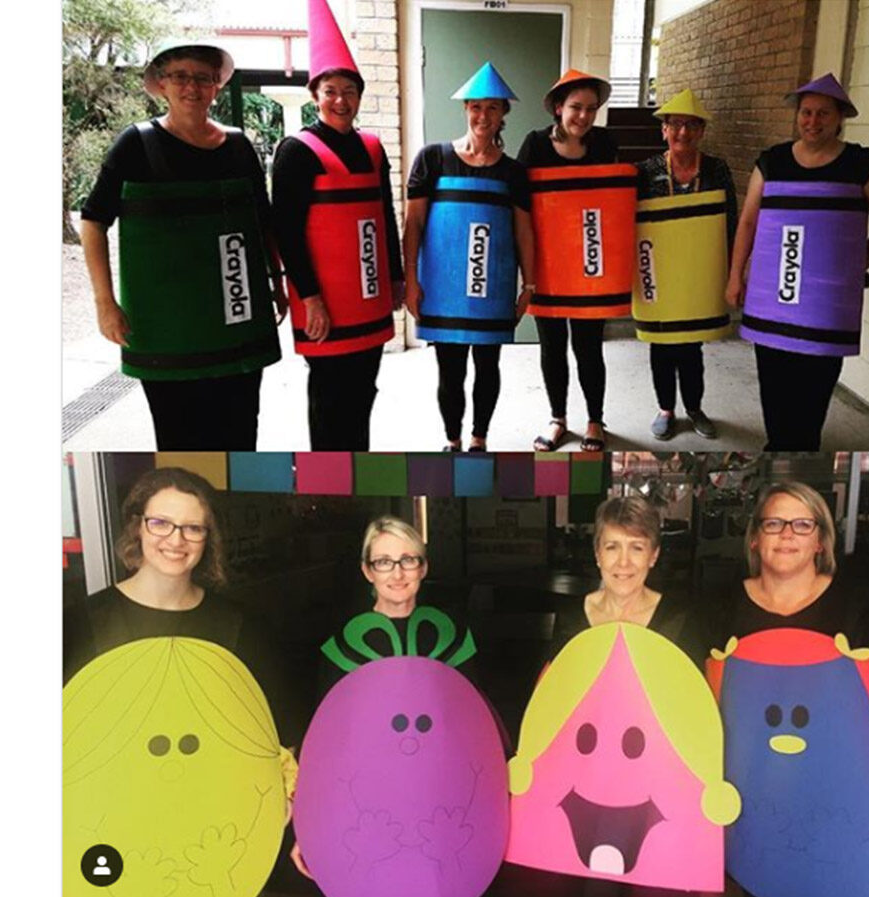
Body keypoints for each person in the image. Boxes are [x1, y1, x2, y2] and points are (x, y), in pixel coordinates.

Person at [80, 41, 285, 450]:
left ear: (216, 88)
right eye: (180, 76)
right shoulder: (135, 145)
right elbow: (93, 222)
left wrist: (276, 281)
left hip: (238, 320)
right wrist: (105, 303)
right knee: (180, 441)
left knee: (241, 435)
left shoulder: (240, 146)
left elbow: (263, 221)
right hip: (165, 331)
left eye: (203, 78)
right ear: (161, 85)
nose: (192, 87)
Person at [290, 514, 479, 881]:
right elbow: (327, 743)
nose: (397, 573)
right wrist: (309, 824)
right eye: (384, 562)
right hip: (369, 804)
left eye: (409, 560)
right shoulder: (343, 645)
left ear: (423, 568)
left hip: (439, 798)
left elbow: (475, 727)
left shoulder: (452, 635)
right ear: (367, 571)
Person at [726, 73, 869, 451]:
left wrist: (855, 265)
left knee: (811, 399)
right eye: (806, 112)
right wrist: (735, 275)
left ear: (839, 118)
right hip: (770, 303)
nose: (813, 121)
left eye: (823, 113)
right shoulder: (772, 161)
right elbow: (748, 221)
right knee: (773, 394)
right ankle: (777, 451)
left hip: (824, 312)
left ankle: (802, 454)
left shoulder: (860, 164)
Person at [61, 467, 298, 736]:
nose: (176, 540)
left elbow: (277, 731)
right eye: (160, 523)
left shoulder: (241, 627)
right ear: (138, 526)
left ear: (209, 538)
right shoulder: (78, 626)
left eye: (193, 528)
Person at [271, 0, 404, 450]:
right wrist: (311, 299)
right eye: (331, 90)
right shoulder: (296, 151)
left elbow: (386, 213)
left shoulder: (371, 147)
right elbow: (285, 232)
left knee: (364, 390)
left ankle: (360, 462)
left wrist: (397, 277)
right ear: (315, 95)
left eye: (349, 90)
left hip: (368, 299)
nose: (341, 100)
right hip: (324, 302)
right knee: (329, 397)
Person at [403, 62, 535, 452]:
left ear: (503, 114)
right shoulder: (432, 159)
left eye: (492, 108)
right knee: (449, 369)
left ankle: (479, 438)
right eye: (476, 107)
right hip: (443, 289)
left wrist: (529, 284)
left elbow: (524, 230)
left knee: (488, 366)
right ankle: (453, 439)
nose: (483, 116)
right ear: (465, 110)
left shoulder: (513, 172)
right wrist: (411, 280)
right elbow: (413, 226)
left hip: (493, 289)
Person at [518, 70, 624, 453]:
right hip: (546, 264)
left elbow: (614, 203)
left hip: (591, 264)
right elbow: (520, 204)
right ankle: (557, 418)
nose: (583, 116)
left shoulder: (605, 143)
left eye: (591, 109)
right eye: (576, 107)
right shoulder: (534, 145)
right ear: (559, 108)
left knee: (589, 346)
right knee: (551, 346)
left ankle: (595, 420)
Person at [716, 481, 869, 667]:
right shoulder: (716, 610)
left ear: (820, 542)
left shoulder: (865, 610)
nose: (787, 534)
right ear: (754, 539)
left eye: (803, 525)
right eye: (773, 523)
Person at [634, 88, 737, 442]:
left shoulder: (716, 169)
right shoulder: (645, 171)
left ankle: (694, 407)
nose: (683, 133)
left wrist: (734, 271)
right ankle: (666, 409)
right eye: (675, 125)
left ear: (701, 131)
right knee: (661, 343)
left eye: (691, 126)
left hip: (698, 273)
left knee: (692, 345)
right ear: (664, 130)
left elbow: (731, 222)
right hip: (658, 273)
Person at [551, 495, 706, 665]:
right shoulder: (570, 618)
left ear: (653, 555)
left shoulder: (679, 621)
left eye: (637, 548)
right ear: (597, 554)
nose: (623, 562)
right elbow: (554, 685)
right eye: (612, 547)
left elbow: (693, 688)